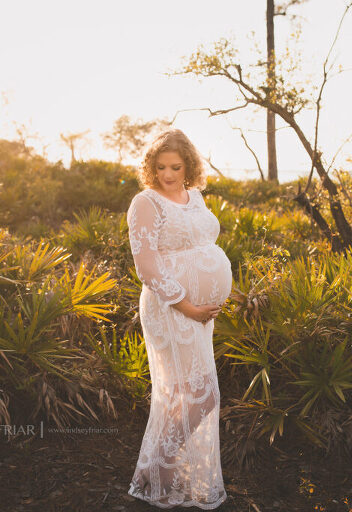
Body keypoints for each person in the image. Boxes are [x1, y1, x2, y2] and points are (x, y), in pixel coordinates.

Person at [126, 128, 231, 509]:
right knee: (203, 394)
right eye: (161, 167)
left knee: (186, 392)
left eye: (175, 166)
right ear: (151, 168)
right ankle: (162, 467)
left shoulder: (196, 196)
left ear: (189, 166)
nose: (168, 174)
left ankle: (153, 473)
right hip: (170, 308)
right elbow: (147, 264)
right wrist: (187, 304)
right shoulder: (145, 202)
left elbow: (202, 245)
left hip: (199, 313)